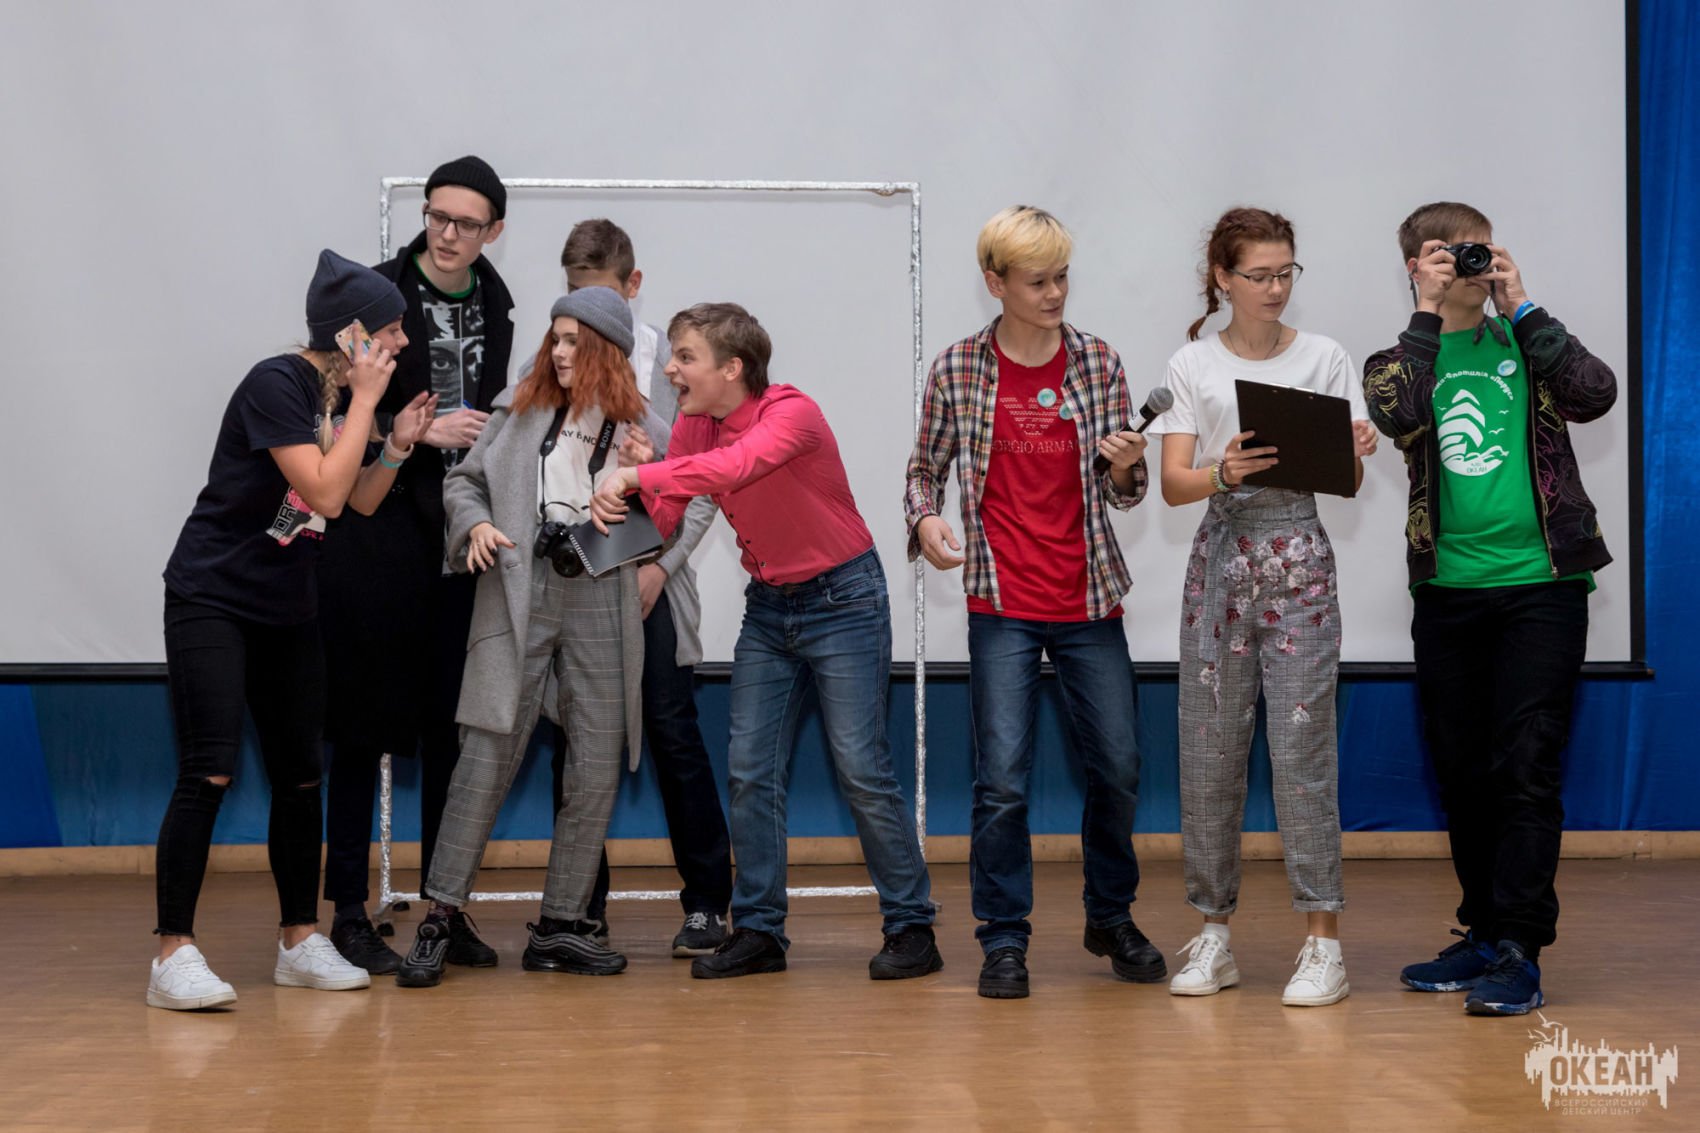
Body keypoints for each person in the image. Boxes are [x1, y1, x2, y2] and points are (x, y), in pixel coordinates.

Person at [590, 303, 940, 981]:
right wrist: (631, 492)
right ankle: (758, 931)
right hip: (771, 607)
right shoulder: (693, 422)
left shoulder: (791, 413)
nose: (670, 369)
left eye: (685, 357)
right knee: (750, 771)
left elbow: (734, 467)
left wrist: (639, 475)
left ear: (732, 368)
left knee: (862, 769)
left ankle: (911, 926)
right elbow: (668, 516)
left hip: (844, 601)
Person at [149, 250, 436, 1009]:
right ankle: (172, 953)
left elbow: (359, 499)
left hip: (288, 607)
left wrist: (395, 446)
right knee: (209, 770)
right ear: (352, 337)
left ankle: (299, 940)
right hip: (213, 598)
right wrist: (369, 404)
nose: (401, 341)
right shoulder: (276, 384)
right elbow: (326, 495)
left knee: (302, 775)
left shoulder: (338, 400)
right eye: (389, 330)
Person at [904, 204, 1163, 1000]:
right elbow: (924, 470)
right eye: (1037, 281)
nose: (1055, 294)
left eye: (1062, 278)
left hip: (1089, 598)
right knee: (1003, 781)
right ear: (996, 283)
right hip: (1002, 602)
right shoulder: (958, 368)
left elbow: (1125, 491)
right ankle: (1004, 938)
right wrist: (924, 517)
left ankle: (1109, 915)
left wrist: (1127, 464)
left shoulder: (1098, 361)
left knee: (1118, 766)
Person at [1364, 201, 1616, 1016]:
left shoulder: (1526, 342)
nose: (1468, 263)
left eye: (1478, 249)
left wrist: (1524, 306)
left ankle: (1519, 948)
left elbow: (1596, 393)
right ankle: (1482, 929)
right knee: (1463, 769)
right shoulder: (1400, 357)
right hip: (1448, 592)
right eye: (1447, 253)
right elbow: (1399, 411)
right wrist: (1427, 313)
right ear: (1416, 264)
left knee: (1527, 765)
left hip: (1543, 585)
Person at [394, 287, 664, 988]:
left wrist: (649, 480)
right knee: (486, 752)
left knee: (596, 761)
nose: (561, 351)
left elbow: (680, 510)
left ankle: (561, 925)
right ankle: (440, 917)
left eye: (575, 340)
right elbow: (464, 485)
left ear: (606, 349)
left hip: (602, 589)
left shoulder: (645, 426)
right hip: (520, 583)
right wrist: (477, 526)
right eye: (557, 337)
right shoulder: (519, 408)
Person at [1146, 206, 1376, 1008]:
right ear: (1223, 278)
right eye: (1259, 275)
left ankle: (1323, 943)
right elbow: (1174, 484)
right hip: (1221, 556)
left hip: (1300, 557)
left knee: (1302, 746)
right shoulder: (1192, 363)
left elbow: (1348, 476)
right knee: (1209, 747)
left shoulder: (1325, 356)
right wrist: (1225, 471)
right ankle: (1213, 933)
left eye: (1285, 273)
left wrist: (1355, 449)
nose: (1275, 288)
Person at [318, 155, 515, 974]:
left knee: (450, 730)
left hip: (460, 541)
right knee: (360, 727)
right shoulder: (376, 294)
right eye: (436, 215)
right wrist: (414, 432)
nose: (445, 233)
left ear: (493, 231)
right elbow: (327, 407)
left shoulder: (500, 303)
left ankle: (444, 908)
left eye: (465, 222)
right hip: (377, 531)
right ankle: (347, 912)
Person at [551, 219, 732, 957]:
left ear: (633, 286)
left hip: (649, 579)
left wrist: (662, 567)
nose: (588, 316)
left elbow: (707, 484)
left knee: (671, 732)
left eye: (602, 297)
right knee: (576, 740)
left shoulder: (676, 368)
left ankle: (709, 903)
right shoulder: (555, 358)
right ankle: (577, 910)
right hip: (575, 584)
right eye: (574, 297)